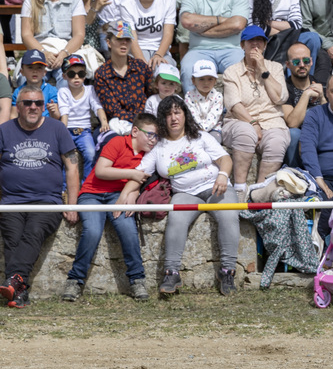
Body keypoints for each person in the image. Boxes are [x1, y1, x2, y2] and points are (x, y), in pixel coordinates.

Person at [124, 95, 239, 296]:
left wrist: (222, 175)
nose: (173, 118)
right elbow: (139, 175)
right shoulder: (158, 147)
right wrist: (127, 194)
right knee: (176, 219)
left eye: (177, 112)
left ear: (185, 114)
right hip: (185, 193)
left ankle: (227, 272)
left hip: (216, 187)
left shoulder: (201, 137)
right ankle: (171, 272)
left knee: (229, 215)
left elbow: (225, 159)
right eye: (168, 114)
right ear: (162, 119)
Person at [62, 113, 160, 303]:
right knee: (92, 231)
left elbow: (141, 182)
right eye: (150, 134)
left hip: (117, 195)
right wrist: (132, 173)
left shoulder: (150, 155)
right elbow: (101, 170)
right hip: (92, 194)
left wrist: (132, 194)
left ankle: (137, 279)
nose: (153, 140)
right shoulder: (117, 142)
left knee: (128, 229)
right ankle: (75, 280)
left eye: (156, 136)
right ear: (134, 132)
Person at [0, 85, 79, 308]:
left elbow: (72, 167)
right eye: (28, 103)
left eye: (39, 103)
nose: (34, 107)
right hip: (11, 201)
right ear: (18, 106)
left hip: (48, 201)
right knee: (13, 238)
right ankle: (20, 292)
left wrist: (72, 205)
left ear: (44, 106)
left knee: (33, 231)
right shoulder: (4, 130)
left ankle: (14, 280)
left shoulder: (57, 129)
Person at [221, 25, 288, 194]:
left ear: (265, 46)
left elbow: (280, 98)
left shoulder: (275, 68)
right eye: (251, 41)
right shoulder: (232, 72)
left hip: (271, 120)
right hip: (239, 120)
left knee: (277, 141)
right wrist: (253, 123)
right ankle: (240, 188)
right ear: (243, 45)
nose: (256, 45)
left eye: (260, 41)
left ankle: (259, 190)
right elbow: (234, 105)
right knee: (245, 132)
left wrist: (263, 69)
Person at [178, 0, 251, 90]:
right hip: (199, 50)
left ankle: (236, 111)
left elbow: (238, 25)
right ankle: (192, 110)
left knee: (244, 71)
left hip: (232, 50)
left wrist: (201, 29)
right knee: (188, 69)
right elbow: (187, 21)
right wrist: (221, 19)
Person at [20, 0, 86, 79]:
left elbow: (79, 35)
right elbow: (26, 35)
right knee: (26, 80)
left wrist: (64, 53)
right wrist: (43, 53)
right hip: (38, 50)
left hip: (66, 50)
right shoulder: (30, 1)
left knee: (69, 79)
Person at [93, 21, 152, 128]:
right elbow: (113, 110)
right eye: (119, 39)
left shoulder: (141, 67)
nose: (124, 43)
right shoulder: (101, 74)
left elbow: (152, 95)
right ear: (109, 43)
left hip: (145, 122)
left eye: (128, 39)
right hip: (117, 125)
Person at [57, 53, 107, 177]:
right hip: (67, 130)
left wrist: (104, 122)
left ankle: (85, 185)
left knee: (90, 154)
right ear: (64, 76)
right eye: (71, 74)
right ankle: (64, 189)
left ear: (85, 75)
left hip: (84, 131)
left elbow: (98, 107)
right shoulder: (63, 91)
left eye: (81, 73)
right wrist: (62, 133)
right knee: (66, 157)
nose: (77, 77)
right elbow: (64, 113)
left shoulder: (90, 90)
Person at [123, 0, 176, 69]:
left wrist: (158, 55)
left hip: (161, 50)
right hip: (136, 51)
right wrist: (142, 63)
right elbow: (132, 38)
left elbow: (168, 34)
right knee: (138, 71)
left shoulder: (169, 0)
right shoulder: (126, 4)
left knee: (165, 72)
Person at [281, 42, 323, 165]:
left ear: (311, 61)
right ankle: (294, 172)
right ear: (288, 65)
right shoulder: (285, 88)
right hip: (299, 136)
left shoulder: (320, 84)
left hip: (320, 134)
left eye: (305, 60)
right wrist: (306, 94)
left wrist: (323, 97)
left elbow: (332, 117)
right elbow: (292, 123)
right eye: (296, 62)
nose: (302, 65)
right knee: (293, 134)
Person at [185, 58, 224, 141]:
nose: (206, 83)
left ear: (215, 81)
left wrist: (204, 129)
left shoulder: (218, 96)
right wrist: (199, 129)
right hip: (195, 128)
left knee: (214, 140)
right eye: (201, 79)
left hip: (213, 129)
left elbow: (214, 116)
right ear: (193, 80)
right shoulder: (189, 96)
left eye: (210, 79)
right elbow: (193, 116)